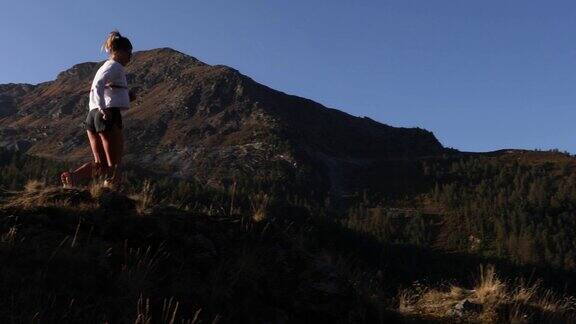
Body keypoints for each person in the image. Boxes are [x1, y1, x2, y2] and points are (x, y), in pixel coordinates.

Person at [61, 30, 134, 189]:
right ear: (120, 51)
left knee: (100, 163)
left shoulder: (105, 66)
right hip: (107, 114)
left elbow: (103, 87)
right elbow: (100, 84)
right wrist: (103, 109)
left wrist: (127, 96)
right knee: (114, 164)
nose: (130, 57)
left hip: (92, 115)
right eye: (129, 52)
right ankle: (111, 193)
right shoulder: (116, 66)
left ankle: (73, 177)